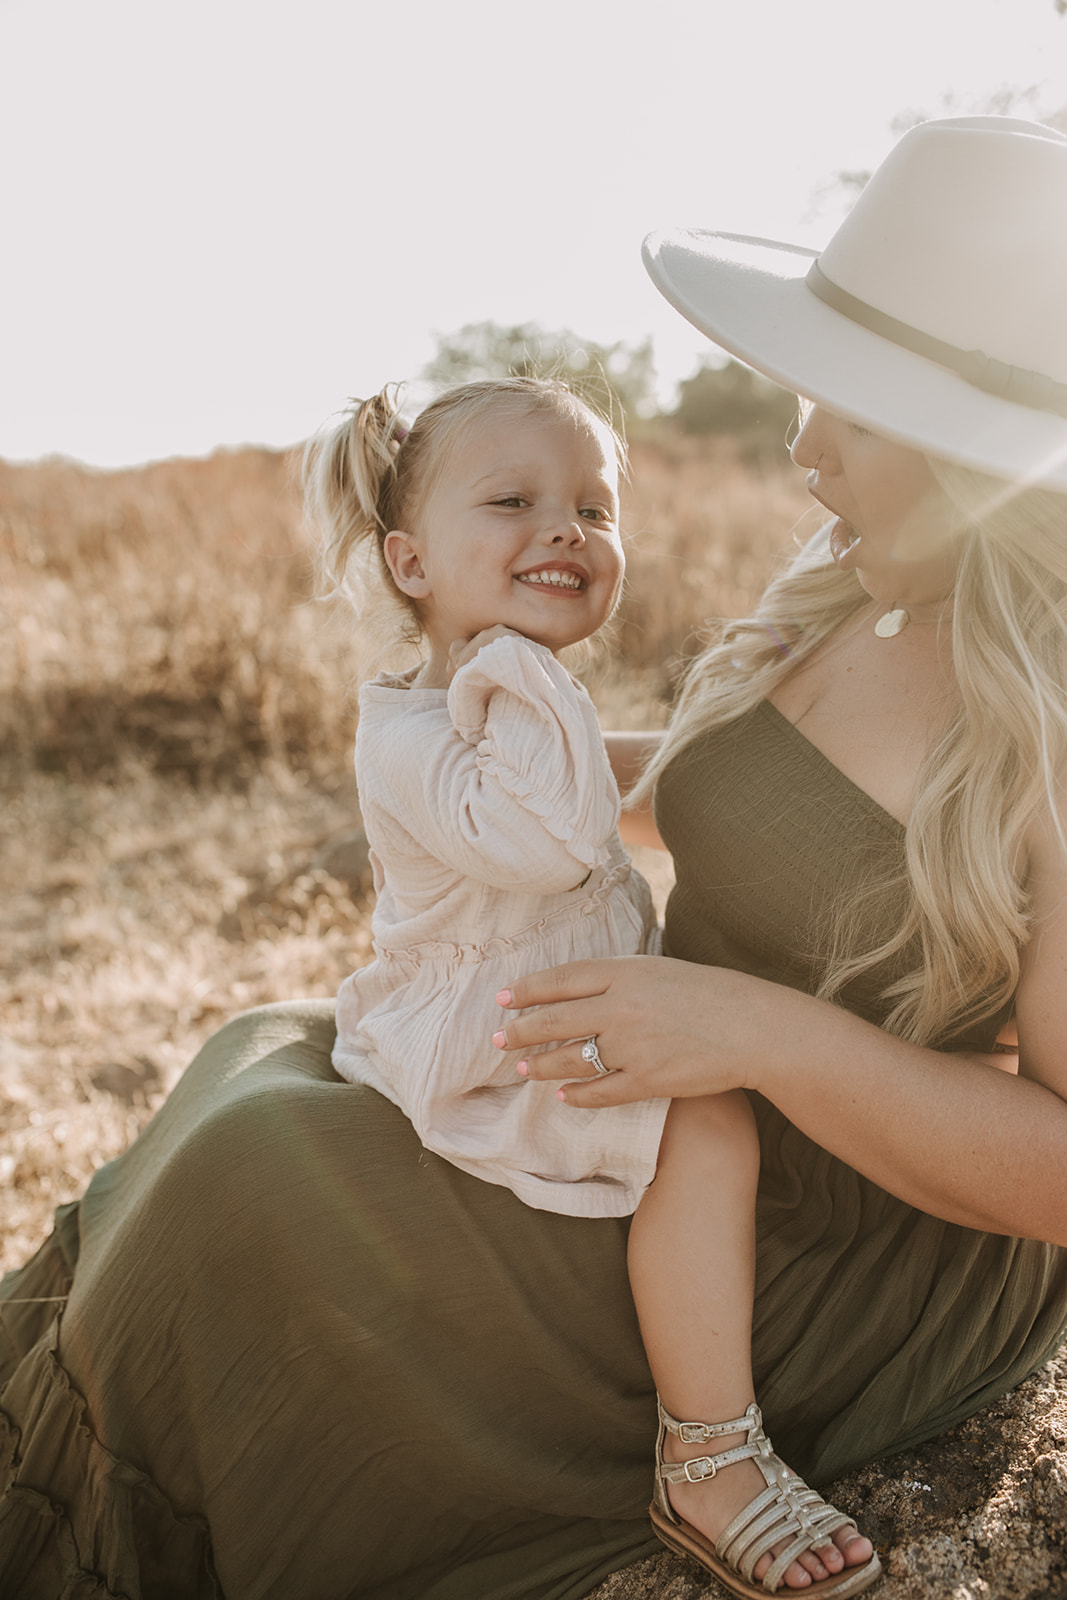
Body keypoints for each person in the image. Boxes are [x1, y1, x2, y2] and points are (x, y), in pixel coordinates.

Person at [1, 112, 1065, 1600]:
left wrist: (753, 1032)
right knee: (261, 1064)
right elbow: (730, 801)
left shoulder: (1049, 730)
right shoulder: (842, 583)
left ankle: (704, 1454)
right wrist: (448, 788)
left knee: (259, 1191)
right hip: (653, 1083)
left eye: (853, 415)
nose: (798, 445)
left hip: (822, 1225)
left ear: (977, 452)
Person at [308, 375, 879, 1597]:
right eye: (513, 501)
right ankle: (707, 1454)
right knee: (708, 1121)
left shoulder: (495, 683)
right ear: (411, 564)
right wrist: (522, 664)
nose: (565, 529)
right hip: (504, 1029)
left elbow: (623, 800)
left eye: (591, 507)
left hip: (551, 984)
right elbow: (556, 842)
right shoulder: (420, 726)